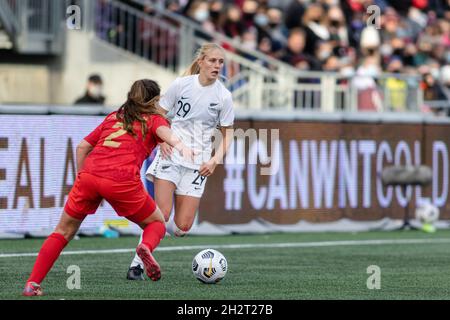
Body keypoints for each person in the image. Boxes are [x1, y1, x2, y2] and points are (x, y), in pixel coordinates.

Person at [23, 79, 195, 296]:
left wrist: (81, 177)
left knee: (62, 231)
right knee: (157, 223)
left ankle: (32, 284)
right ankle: (145, 248)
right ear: (154, 100)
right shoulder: (154, 119)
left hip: (89, 176)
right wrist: (182, 146)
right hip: (121, 180)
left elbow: (82, 146)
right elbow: (166, 134)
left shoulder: (114, 116)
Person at [126, 42, 235, 280]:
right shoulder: (181, 85)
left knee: (182, 228)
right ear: (201, 61)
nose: (217, 66)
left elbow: (228, 136)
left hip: (198, 165)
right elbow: (159, 116)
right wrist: (162, 141)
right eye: (213, 61)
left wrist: (215, 160)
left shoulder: (224, 97)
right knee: (161, 215)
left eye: (220, 62)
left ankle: (148, 247)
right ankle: (137, 265)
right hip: (172, 157)